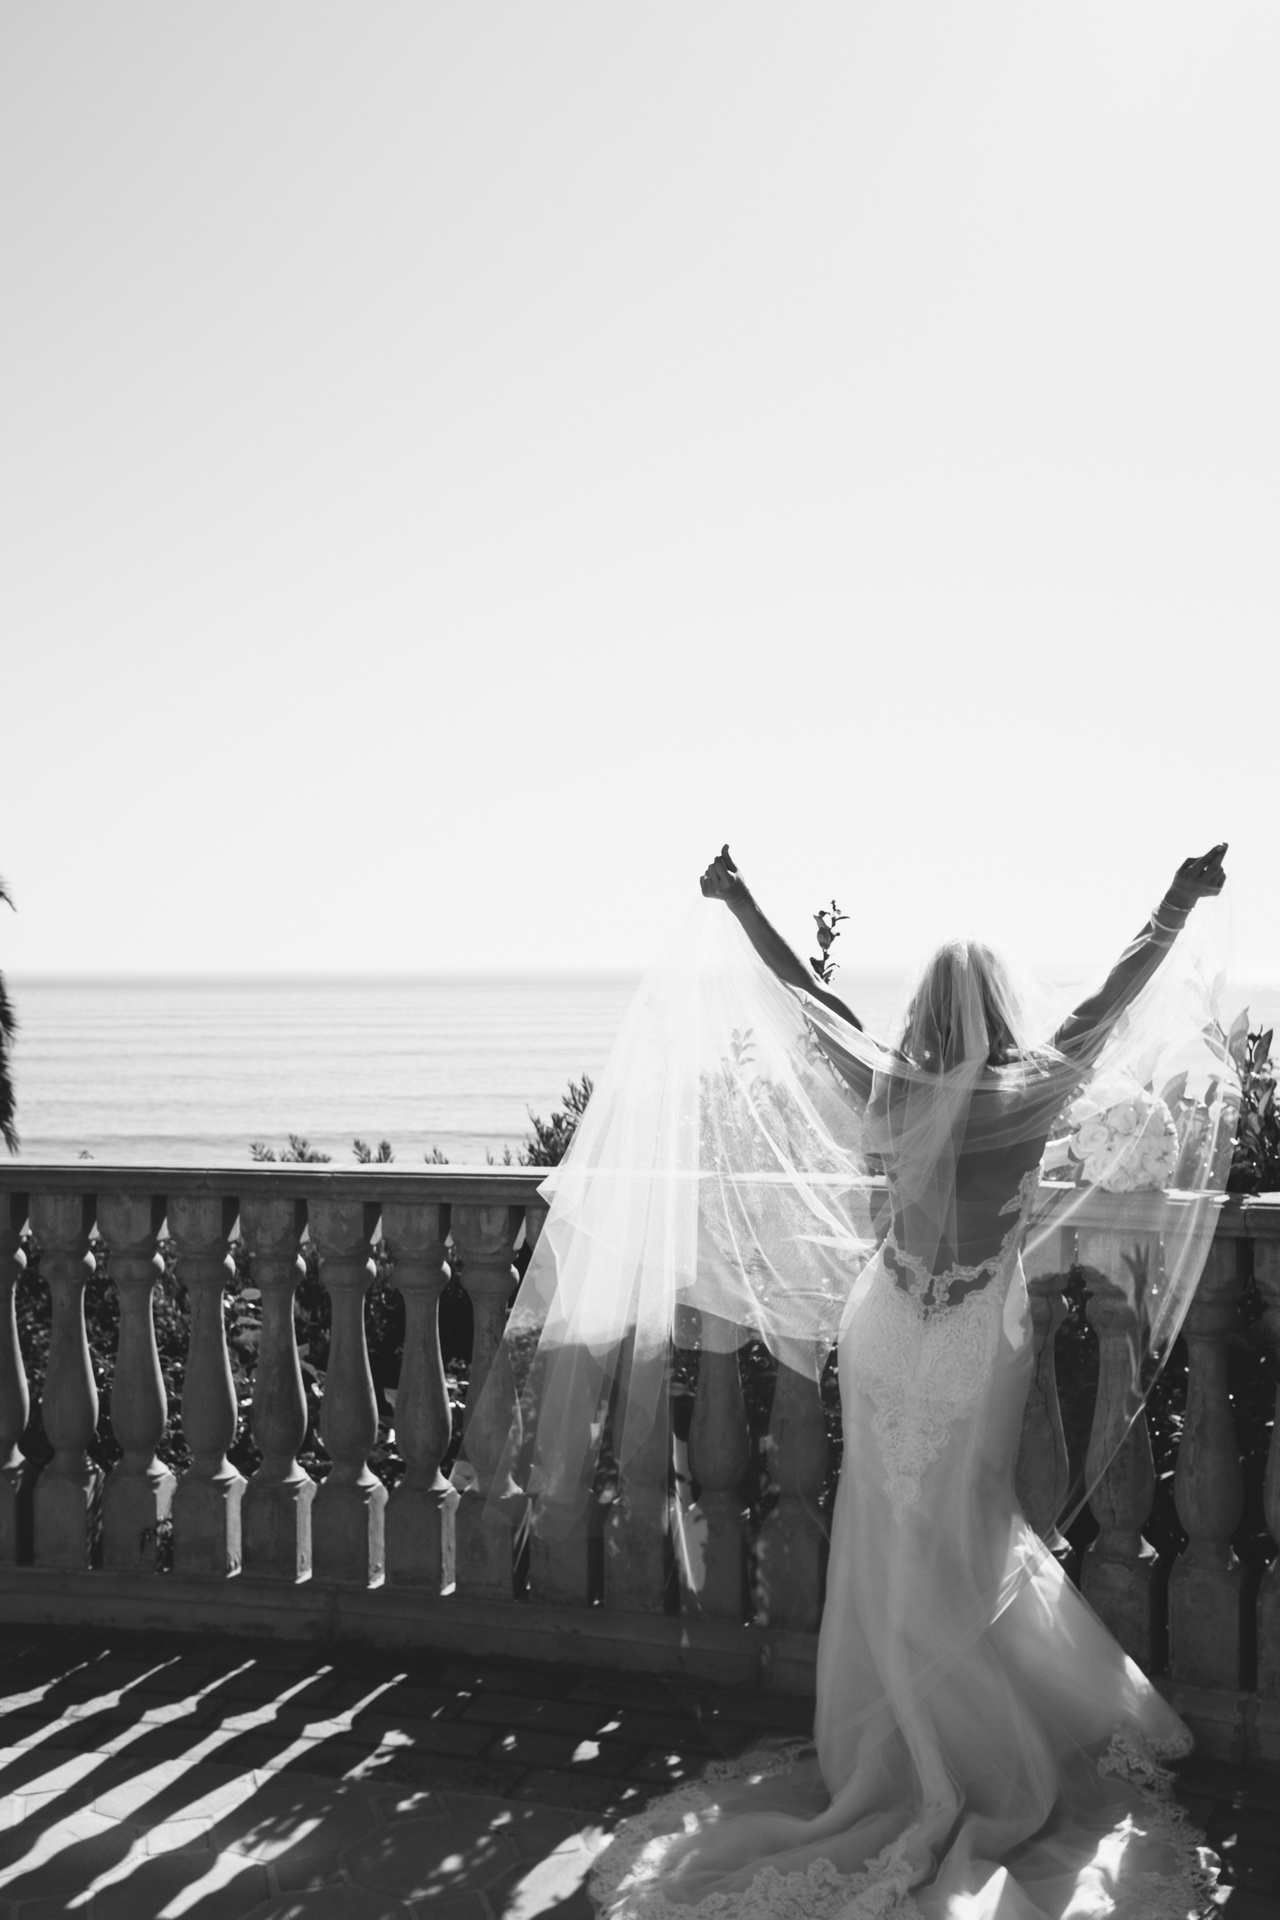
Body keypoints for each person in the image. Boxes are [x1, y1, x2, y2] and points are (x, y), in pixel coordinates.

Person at [575, 843, 1229, 1920]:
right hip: (975, 1325)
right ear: (1001, 1007)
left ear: (925, 1008)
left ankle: (886, 1750)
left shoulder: (887, 1084)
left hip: (885, 1321)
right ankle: (962, 1752)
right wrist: (1176, 899)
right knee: (968, 1531)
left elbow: (807, 994)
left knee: (882, 1528)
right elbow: (1115, 995)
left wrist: (739, 901)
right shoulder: (1034, 1085)